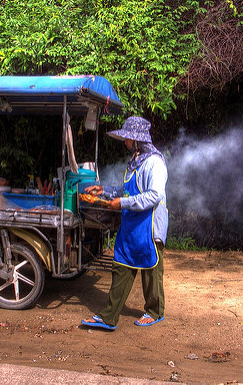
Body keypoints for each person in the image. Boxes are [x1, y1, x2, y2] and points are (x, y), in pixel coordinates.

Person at [81, 116, 168, 331]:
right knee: (121, 266)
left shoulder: (155, 163)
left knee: (151, 272)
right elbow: (127, 191)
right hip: (131, 226)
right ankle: (109, 316)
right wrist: (105, 190)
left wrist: (123, 203)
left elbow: (154, 196)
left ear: (137, 140)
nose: (125, 142)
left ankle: (155, 311)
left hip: (149, 227)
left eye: (128, 139)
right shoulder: (134, 162)